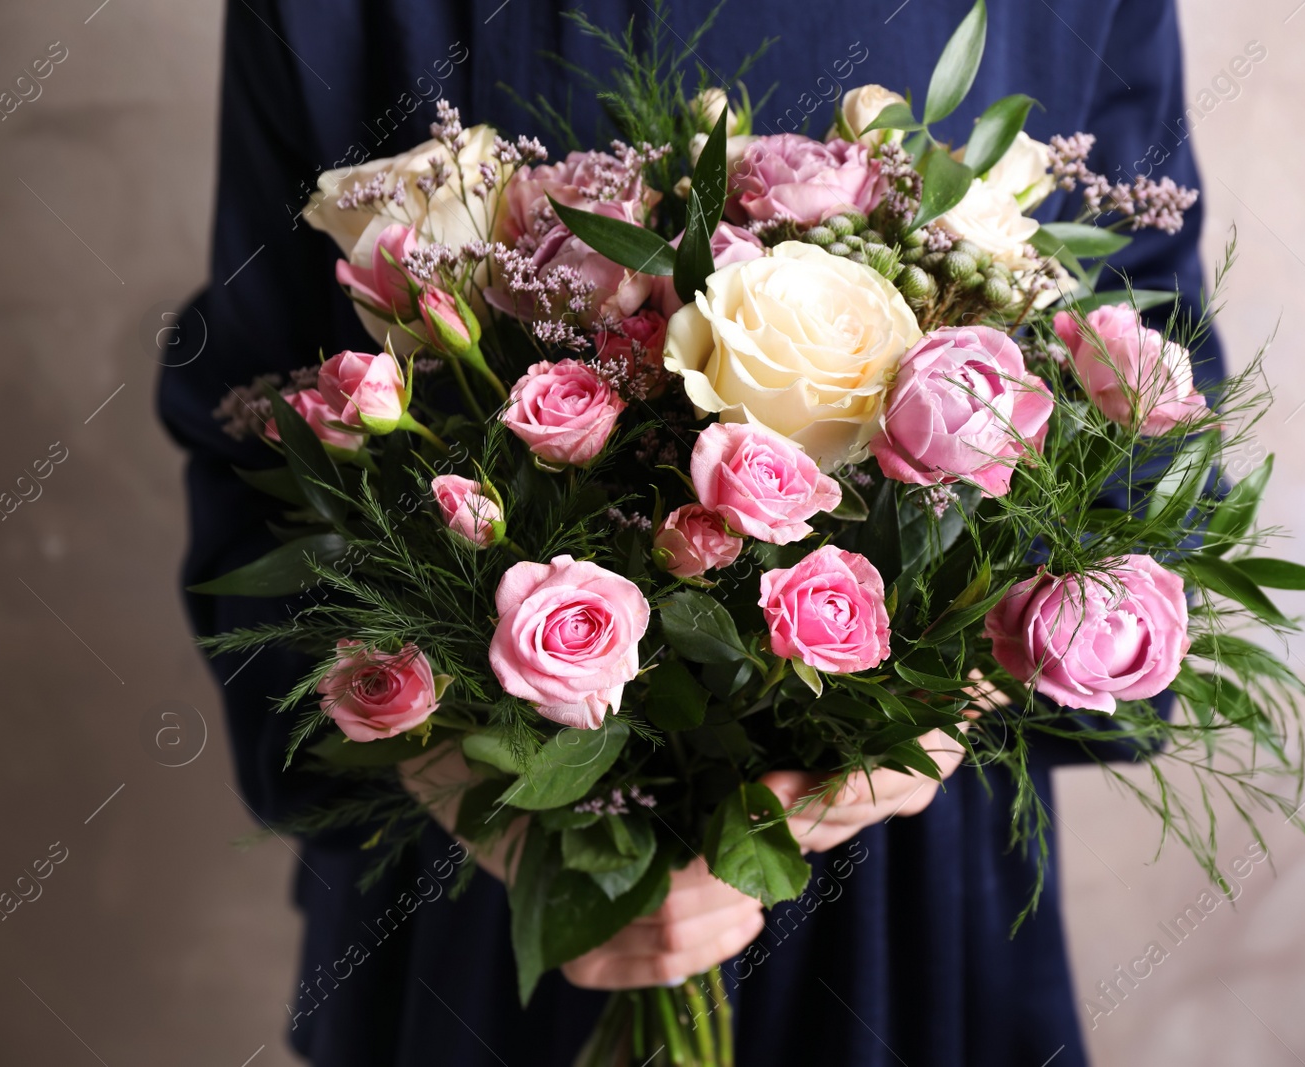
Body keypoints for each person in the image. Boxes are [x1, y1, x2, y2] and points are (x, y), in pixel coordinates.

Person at [158, 1, 1221, 1063]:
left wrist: (959, 699)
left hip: (903, 870)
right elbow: (253, 408)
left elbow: (1145, 374)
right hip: (482, 869)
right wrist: (464, 780)